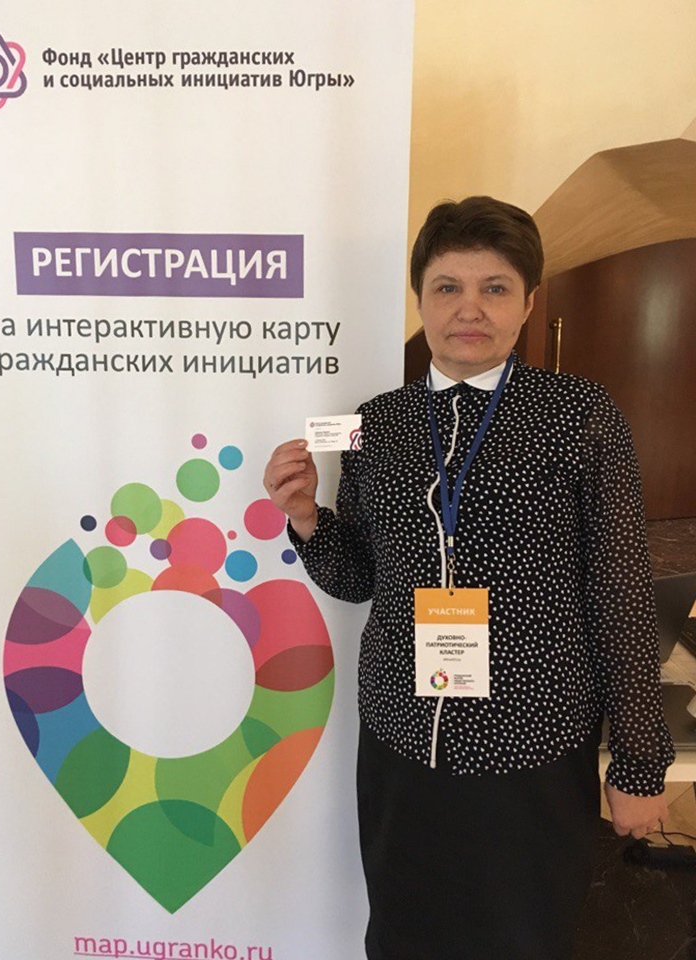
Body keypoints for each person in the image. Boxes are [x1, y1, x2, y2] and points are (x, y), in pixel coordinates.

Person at [263, 197, 675, 960]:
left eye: (495, 287)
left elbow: (619, 593)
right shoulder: (376, 423)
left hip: (533, 738)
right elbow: (359, 580)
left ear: (528, 302)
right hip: (401, 738)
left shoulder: (578, 415)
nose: (469, 308)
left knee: (523, 934)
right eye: (448, 286)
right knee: (404, 933)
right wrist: (309, 520)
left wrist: (640, 763)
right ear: (421, 298)